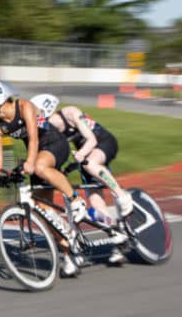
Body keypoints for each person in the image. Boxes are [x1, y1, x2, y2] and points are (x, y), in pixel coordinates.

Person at [0, 80, 84, 276]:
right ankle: (70, 255)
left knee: (40, 167)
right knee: (45, 212)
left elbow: (33, 137)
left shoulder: (25, 106)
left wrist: (32, 162)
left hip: (53, 143)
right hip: (36, 156)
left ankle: (75, 199)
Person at [30, 94, 133, 264]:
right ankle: (118, 238)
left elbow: (91, 139)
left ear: (45, 112)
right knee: (97, 209)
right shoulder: (52, 131)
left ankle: (122, 195)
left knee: (90, 164)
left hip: (103, 142)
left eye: (37, 115)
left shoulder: (70, 112)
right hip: (85, 157)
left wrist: (80, 155)